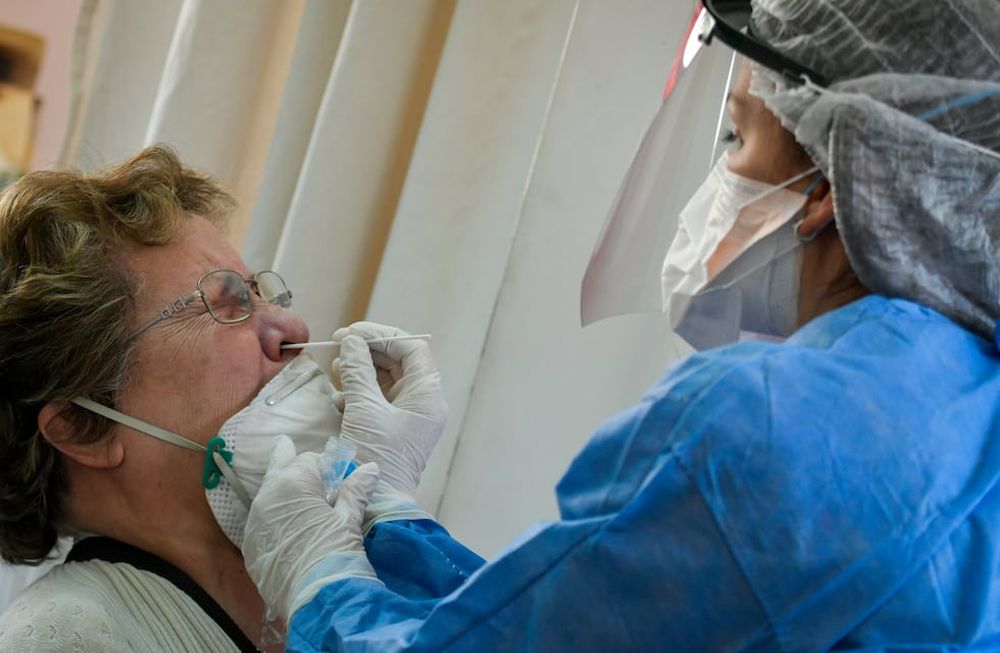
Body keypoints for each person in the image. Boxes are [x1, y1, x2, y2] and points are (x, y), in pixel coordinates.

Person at [240, 0, 1000, 650]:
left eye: (737, 138)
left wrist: (318, 577)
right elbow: (578, 613)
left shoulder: (768, 429)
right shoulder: (964, 400)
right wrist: (392, 512)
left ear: (835, 184)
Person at [0, 146, 482, 651]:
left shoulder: (331, 589)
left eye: (261, 292)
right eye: (225, 302)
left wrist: (384, 526)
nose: (293, 329)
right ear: (82, 426)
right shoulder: (65, 638)